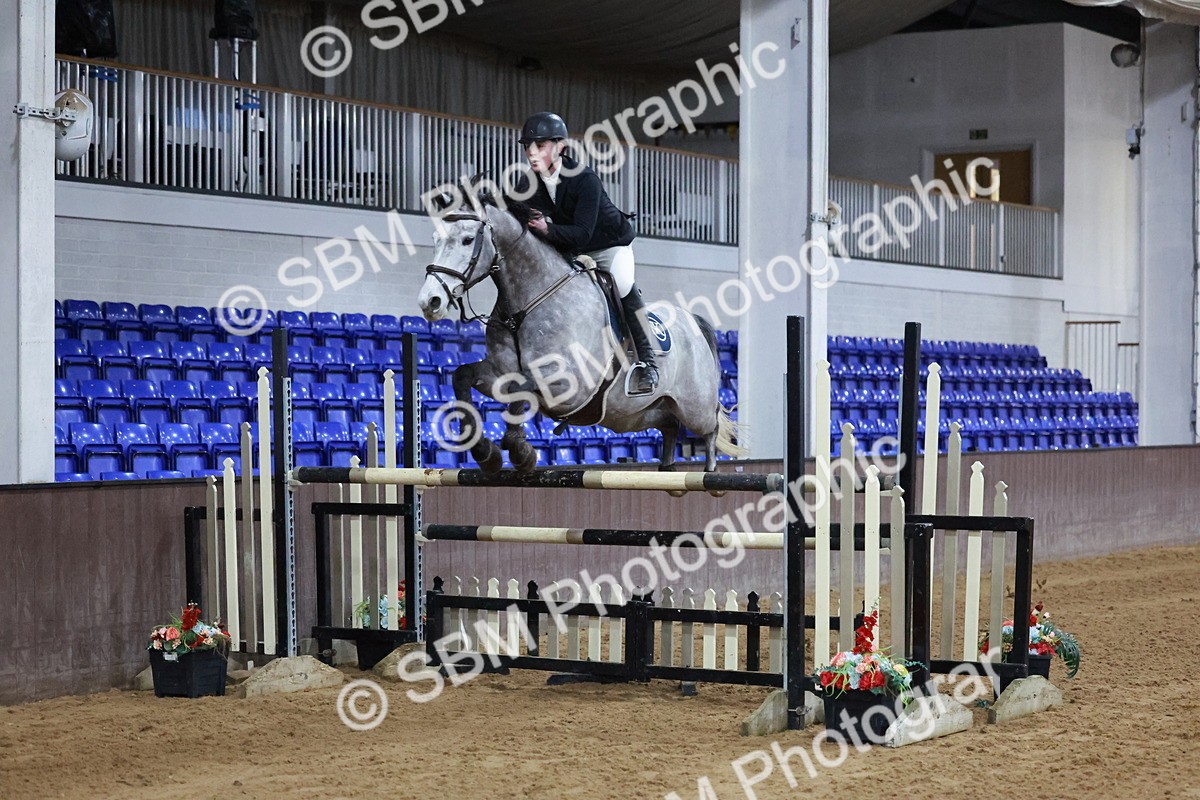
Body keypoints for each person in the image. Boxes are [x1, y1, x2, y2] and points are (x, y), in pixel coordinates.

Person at [509, 111, 659, 396]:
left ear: (560, 147)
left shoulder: (584, 179)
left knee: (623, 284)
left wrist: (546, 229)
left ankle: (648, 362)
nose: (531, 152)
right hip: (571, 247)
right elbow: (510, 211)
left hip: (609, 244)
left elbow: (583, 233)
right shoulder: (527, 183)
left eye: (539, 146)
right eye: (527, 146)